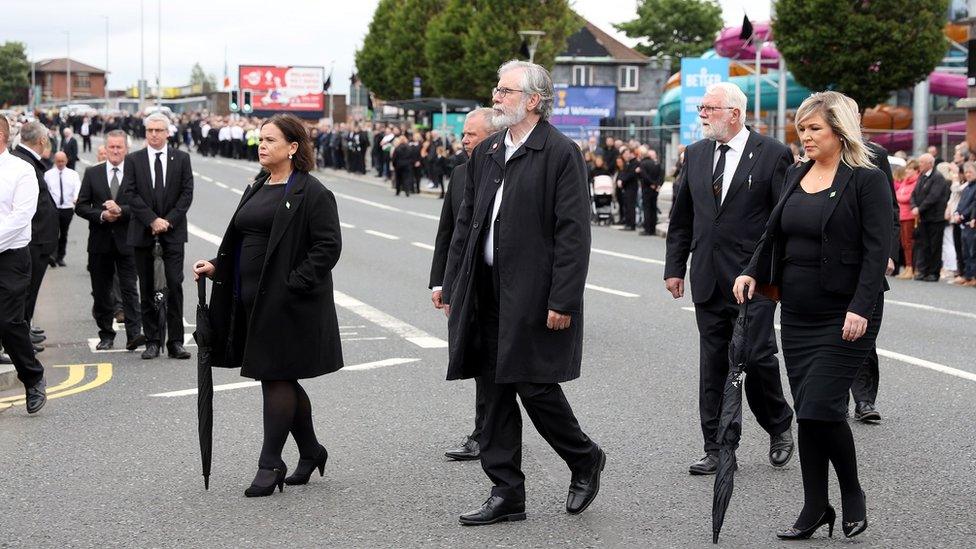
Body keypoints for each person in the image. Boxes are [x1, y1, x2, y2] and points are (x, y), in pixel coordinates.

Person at [442, 60, 604, 525]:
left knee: (534, 386)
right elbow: (467, 225)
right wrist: (454, 283)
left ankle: (584, 457)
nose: (496, 97)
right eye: (496, 89)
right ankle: (506, 492)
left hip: (533, 291)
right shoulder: (489, 149)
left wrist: (563, 300)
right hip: (485, 290)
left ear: (534, 100)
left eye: (506, 91)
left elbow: (573, 233)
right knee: (492, 391)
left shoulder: (560, 152)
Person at [734, 91, 892, 540]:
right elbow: (772, 232)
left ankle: (852, 494)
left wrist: (861, 306)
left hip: (846, 313)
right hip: (799, 314)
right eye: (801, 129)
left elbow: (876, 249)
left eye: (814, 129)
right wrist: (751, 273)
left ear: (839, 131)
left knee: (821, 404)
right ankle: (815, 506)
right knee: (810, 412)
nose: (805, 137)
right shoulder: (795, 173)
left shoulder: (866, 179)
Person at [192, 113, 343, 498]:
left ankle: (270, 462)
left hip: (288, 304)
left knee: (274, 376)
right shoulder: (258, 185)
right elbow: (245, 239)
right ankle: (311, 451)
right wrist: (218, 265)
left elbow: (327, 247)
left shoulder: (312, 192)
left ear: (293, 148)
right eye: (260, 139)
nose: (262, 145)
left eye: (270, 140)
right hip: (250, 300)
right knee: (279, 376)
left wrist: (294, 284)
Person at [664, 81, 795, 475]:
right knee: (714, 363)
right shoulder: (697, 154)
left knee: (755, 357)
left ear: (734, 113)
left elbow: (780, 221)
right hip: (706, 276)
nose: (701, 114)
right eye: (701, 107)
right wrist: (674, 267)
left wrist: (765, 271)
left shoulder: (772, 154)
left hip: (752, 279)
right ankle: (718, 447)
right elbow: (682, 217)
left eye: (709, 108)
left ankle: (778, 426)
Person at [429, 107, 496, 462]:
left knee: (507, 371)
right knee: (481, 363)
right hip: (468, 286)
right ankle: (486, 431)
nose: (464, 140)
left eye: (472, 135)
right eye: (465, 135)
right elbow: (447, 233)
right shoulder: (459, 174)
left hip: (500, 286)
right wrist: (441, 284)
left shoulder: (506, 173)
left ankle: (490, 431)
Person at [122, 112, 194, 360]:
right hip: (143, 231)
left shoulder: (182, 158)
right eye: (150, 130)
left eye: (158, 130)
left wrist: (168, 221)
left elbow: (187, 194)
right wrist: (152, 219)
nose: (154, 134)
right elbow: (130, 193)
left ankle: (175, 341)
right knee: (147, 286)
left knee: (174, 284)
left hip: (173, 233)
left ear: (167, 133)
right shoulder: (133, 160)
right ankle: (152, 340)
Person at [74, 130, 146, 352]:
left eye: (119, 147)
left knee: (130, 290)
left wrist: (121, 211)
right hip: (100, 242)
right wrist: (102, 215)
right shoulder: (92, 173)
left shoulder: (136, 174)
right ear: (105, 149)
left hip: (127, 241)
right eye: (111, 147)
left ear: (126, 149)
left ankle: (134, 334)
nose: (115, 151)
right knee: (102, 291)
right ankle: (106, 334)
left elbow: (142, 205)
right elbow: (81, 206)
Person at [0, 115, 47, 413]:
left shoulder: (21, 170)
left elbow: (20, 218)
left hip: (11, 258)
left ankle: (32, 377)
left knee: (9, 322)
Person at [11, 122, 59, 339]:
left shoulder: (25, 160)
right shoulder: (24, 163)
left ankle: (25, 328)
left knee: (29, 291)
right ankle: (22, 334)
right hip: (33, 240)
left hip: (37, 239)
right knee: (25, 292)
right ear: (42, 140)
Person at [911, 154, 950, 281]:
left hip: (936, 218)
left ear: (930, 164)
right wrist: (913, 206)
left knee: (935, 246)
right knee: (925, 245)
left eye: (922, 162)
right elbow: (914, 193)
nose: (920, 165)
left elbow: (933, 197)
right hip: (924, 218)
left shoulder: (938, 178)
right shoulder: (921, 176)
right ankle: (924, 271)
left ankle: (934, 272)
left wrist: (919, 208)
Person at [43, 152, 81, 267]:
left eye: (62, 161)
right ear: (55, 161)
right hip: (53, 208)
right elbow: (46, 191)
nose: (60, 163)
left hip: (67, 207)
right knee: (54, 232)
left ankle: (60, 257)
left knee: (63, 233)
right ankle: (52, 256)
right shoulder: (48, 174)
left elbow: (77, 187)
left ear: (66, 161)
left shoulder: (73, 174)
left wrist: (75, 198)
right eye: (58, 161)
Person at [894, 160, 920, 279]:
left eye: (910, 169)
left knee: (909, 243)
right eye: (907, 169)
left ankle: (911, 268)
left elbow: (908, 198)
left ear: (916, 171)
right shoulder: (905, 181)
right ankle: (908, 267)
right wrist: (900, 197)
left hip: (910, 216)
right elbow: (897, 194)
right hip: (902, 215)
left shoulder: (916, 182)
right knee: (904, 243)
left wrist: (900, 197)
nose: (907, 171)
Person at [953, 162, 976, 285]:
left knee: (973, 252)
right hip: (963, 223)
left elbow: (973, 205)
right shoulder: (967, 187)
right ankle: (967, 275)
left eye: (970, 172)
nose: (968, 174)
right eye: (966, 172)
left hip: (970, 222)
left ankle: (973, 276)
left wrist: (963, 215)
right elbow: (961, 204)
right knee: (965, 251)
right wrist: (957, 212)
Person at [638, 148, 663, 236]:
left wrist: (651, 184)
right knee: (653, 208)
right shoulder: (657, 164)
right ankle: (653, 228)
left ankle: (647, 229)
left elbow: (644, 176)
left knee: (647, 209)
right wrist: (657, 185)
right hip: (655, 189)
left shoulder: (643, 164)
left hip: (647, 188)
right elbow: (661, 176)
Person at [616, 148, 639, 230]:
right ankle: (628, 223)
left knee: (630, 206)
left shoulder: (634, 162)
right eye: (624, 154)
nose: (625, 156)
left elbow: (631, 174)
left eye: (627, 154)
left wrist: (622, 180)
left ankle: (631, 224)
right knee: (627, 205)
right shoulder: (627, 163)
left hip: (631, 187)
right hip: (627, 187)